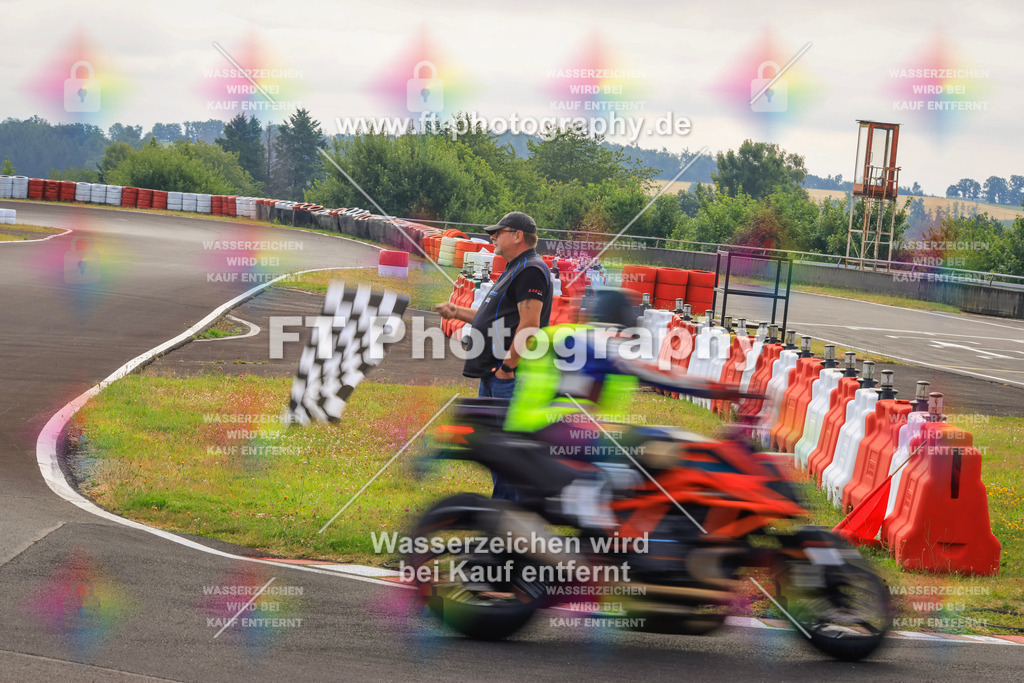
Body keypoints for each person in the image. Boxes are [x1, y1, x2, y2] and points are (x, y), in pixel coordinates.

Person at [434, 211, 553, 499]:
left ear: (517, 236)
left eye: (499, 232)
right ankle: (503, 510)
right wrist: (457, 312)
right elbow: (498, 316)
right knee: (494, 445)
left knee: (506, 448)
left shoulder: (530, 270)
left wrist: (508, 367)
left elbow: (529, 324)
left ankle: (508, 516)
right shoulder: (516, 267)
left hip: (506, 375)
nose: (493, 237)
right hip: (493, 372)